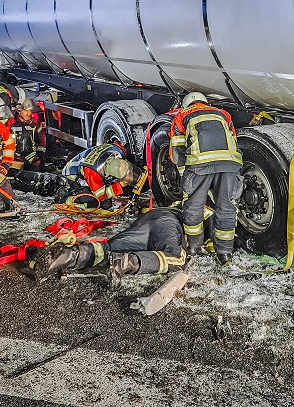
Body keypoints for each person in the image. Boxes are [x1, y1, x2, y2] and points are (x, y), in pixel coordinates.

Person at [31, 206, 187, 288]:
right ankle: (127, 261)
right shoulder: (205, 207)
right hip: (169, 222)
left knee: (110, 249)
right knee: (177, 259)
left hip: (149, 218)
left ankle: (70, 254)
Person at [169, 92, 242, 264]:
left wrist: (184, 176)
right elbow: (233, 140)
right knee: (227, 206)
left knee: (194, 207)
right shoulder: (223, 114)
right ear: (206, 103)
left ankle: (194, 248)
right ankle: (225, 253)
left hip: (199, 165)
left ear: (186, 104)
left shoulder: (181, 116)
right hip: (230, 164)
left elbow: (177, 152)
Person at [58, 143, 143, 209]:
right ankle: (68, 199)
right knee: (98, 203)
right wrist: (119, 185)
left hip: (87, 165)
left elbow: (119, 144)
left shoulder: (118, 150)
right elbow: (101, 195)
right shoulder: (93, 173)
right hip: (72, 175)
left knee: (122, 190)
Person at [7, 98, 46, 171]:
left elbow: (42, 139)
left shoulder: (35, 123)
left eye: (30, 110)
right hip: (15, 160)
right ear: (19, 111)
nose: (28, 113)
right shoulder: (10, 123)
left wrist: (39, 155)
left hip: (33, 160)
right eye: (25, 110)